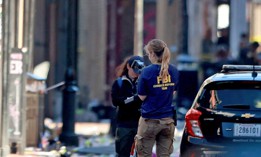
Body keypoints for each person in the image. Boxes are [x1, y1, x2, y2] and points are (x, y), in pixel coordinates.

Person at [135, 39, 179, 157]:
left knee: (144, 154)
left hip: (150, 120)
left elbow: (142, 97)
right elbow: (173, 92)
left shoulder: (146, 72)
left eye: (149, 54)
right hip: (168, 121)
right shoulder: (174, 70)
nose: (149, 56)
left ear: (153, 54)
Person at [111, 55, 145, 157]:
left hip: (141, 123)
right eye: (135, 69)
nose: (137, 73)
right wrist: (135, 98)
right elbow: (116, 101)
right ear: (128, 67)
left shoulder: (143, 83)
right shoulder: (119, 83)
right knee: (122, 152)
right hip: (124, 123)